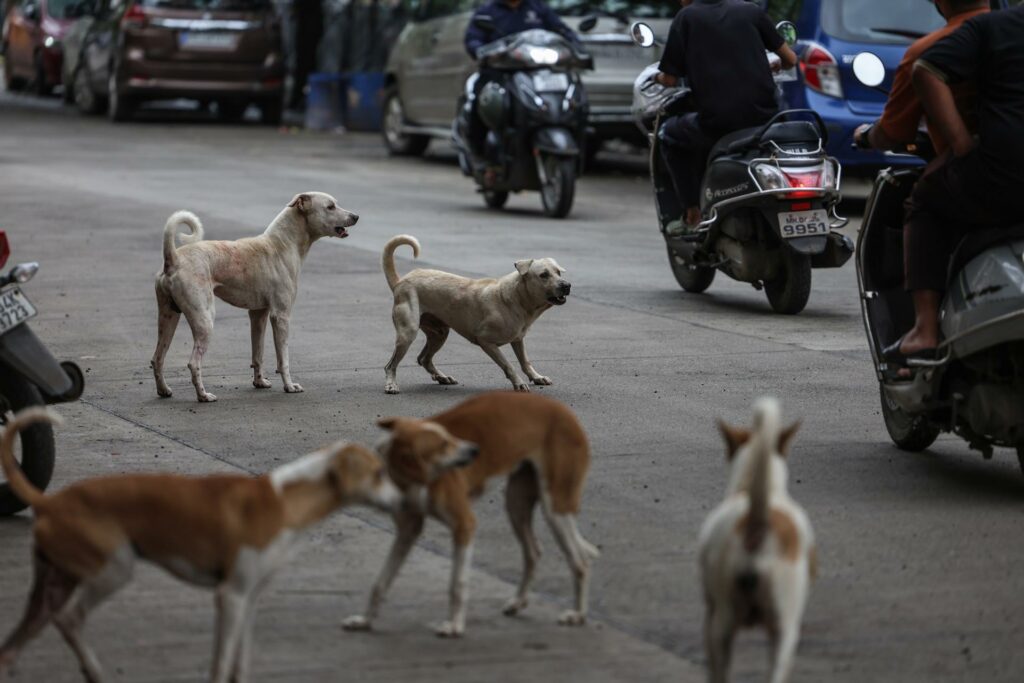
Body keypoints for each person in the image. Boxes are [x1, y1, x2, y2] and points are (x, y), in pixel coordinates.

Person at [885, 6, 1024, 363]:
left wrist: (961, 144)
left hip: (1001, 177)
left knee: (924, 201)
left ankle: (925, 331)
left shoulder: (992, 28)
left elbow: (926, 72)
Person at [655, 0, 797, 229]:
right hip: (766, 122)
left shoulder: (687, 18)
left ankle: (692, 212)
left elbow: (670, 79)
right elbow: (791, 60)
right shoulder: (751, 11)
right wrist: (770, 65)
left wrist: (657, 77)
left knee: (668, 134)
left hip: (718, 125)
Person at [853, 0, 989, 157]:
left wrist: (864, 136)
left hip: (971, 167)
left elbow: (891, 134)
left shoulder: (926, 52)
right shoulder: (1010, 34)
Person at [462, 0, 579, 165]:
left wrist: (576, 45)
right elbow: (472, 39)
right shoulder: (487, 12)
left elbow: (561, 30)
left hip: (534, 70)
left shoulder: (537, 9)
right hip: (500, 70)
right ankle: (480, 155)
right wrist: (484, 52)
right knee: (483, 101)